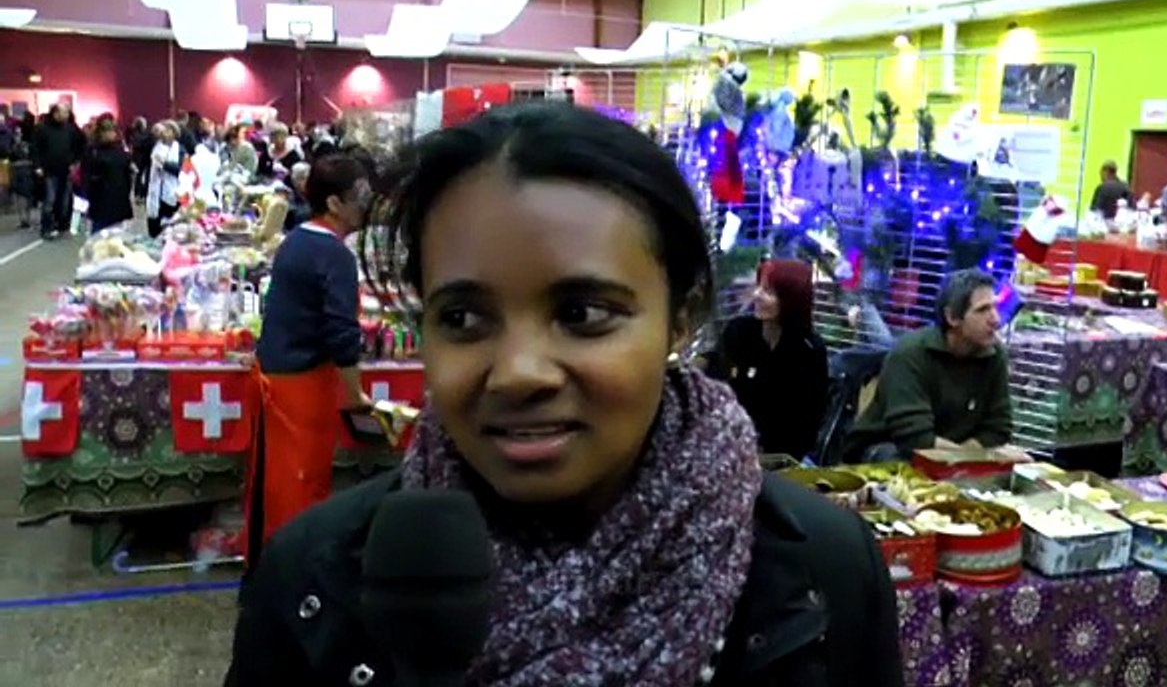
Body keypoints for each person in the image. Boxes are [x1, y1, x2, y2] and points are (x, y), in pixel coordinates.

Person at [224, 103, 903, 687]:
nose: (520, 373)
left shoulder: (823, 575)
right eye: (462, 318)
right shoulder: (312, 584)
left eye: (582, 314)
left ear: (683, 314)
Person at [241, 154, 372, 569]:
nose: (367, 204)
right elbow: (341, 332)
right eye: (361, 196)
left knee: (277, 482)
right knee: (299, 483)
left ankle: (273, 564)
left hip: (278, 378)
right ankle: (291, 573)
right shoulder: (335, 255)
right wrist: (354, 394)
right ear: (335, 204)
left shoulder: (296, 239)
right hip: (299, 386)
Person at [845, 268, 1013, 463]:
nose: (996, 320)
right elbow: (916, 439)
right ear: (952, 317)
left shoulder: (993, 354)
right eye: (983, 310)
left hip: (951, 453)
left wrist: (962, 461)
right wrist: (967, 460)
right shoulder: (911, 354)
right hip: (887, 451)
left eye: (995, 307)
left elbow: (998, 428)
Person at [707, 258, 829, 460]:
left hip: (781, 458)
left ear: (790, 300)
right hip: (727, 447)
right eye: (759, 287)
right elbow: (715, 390)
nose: (756, 295)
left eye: (768, 291)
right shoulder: (738, 332)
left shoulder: (810, 351)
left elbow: (807, 422)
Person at [32, 103, 83, 239]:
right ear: (55, 113)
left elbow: (81, 144)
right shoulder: (42, 128)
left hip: (66, 170)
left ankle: (63, 225)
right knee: (50, 200)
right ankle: (46, 228)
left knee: (65, 200)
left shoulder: (71, 129)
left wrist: (75, 161)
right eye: (64, 112)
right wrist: (37, 166)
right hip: (48, 170)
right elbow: (35, 149)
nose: (67, 115)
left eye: (67, 112)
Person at [81, 119, 133, 232]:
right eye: (107, 131)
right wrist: (87, 195)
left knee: (117, 234)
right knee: (99, 234)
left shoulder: (120, 150)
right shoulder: (92, 151)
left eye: (112, 131)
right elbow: (86, 175)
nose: (111, 134)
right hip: (100, 197)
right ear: (100, 133)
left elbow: (127, 174)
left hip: (119, 197)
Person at [146, 120, 185, 238]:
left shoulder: (180, 149)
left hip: (171, 194)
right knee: (154, 227)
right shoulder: (157, 146)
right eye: (164, 130)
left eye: (168, 130)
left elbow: (182, 171)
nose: (165, 133)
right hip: (155, 192)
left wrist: (165, 164)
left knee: (169, 228)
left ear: (174, 133)